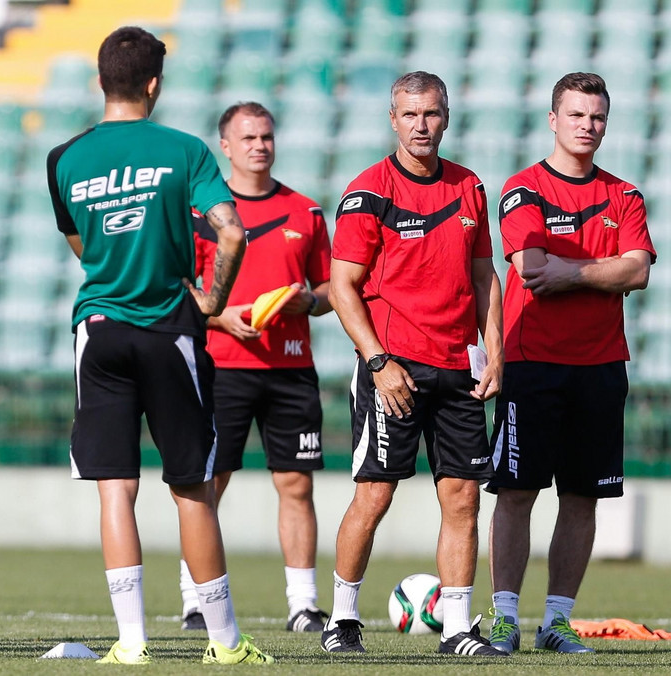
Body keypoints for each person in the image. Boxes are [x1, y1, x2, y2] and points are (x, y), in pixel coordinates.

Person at [47, 26, 269, 665]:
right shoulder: (185, 150)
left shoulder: (64, 157)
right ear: (154, 84)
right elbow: (231, 235)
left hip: (98, 330)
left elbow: (80, 243)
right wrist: (211, 303)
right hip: (168, 328)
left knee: (115, 489)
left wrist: (112, 270)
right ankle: (226, 645)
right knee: (192, 487)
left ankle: (132, 644)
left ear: (100, 82)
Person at [322, 71, 506, 656]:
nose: (421, 125)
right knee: (375, 495)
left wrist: (494, 351)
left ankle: (456, 628)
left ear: (446, 116)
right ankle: (342, 619)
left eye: (430, 114)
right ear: (393, 119)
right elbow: (341, 286)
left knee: (463, 498)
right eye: (409, 115)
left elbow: (484, 277)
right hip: (393, 368)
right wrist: (377, 362)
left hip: (459, 368)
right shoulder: (369, 190)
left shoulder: (470, 186)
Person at [486, 73, 655, 655]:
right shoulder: (523, 189)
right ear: (554, 120)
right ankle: (505, 617)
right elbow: (533, 269)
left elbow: (638, 271)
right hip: (533, 363)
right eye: (578, 115)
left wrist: (573, 272)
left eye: (598, 117)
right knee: (517, 493)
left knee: (582, 497)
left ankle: (555, 622)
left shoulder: (625, 195)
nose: (588, 126)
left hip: (602, 366)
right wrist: (598, 270)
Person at [177, 101, 333, 634]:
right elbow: (183, 291)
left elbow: (333, 289)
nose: (259, 146)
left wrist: (308, 303)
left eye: (266, 136)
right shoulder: (201, 214)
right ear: (225, 145)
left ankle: (304, 604)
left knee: (296, 484)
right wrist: (223, 320)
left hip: (291, 367)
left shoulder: (307, 212)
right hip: (221, 365)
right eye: (247, 138)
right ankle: (197, 598)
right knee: (208, 481)